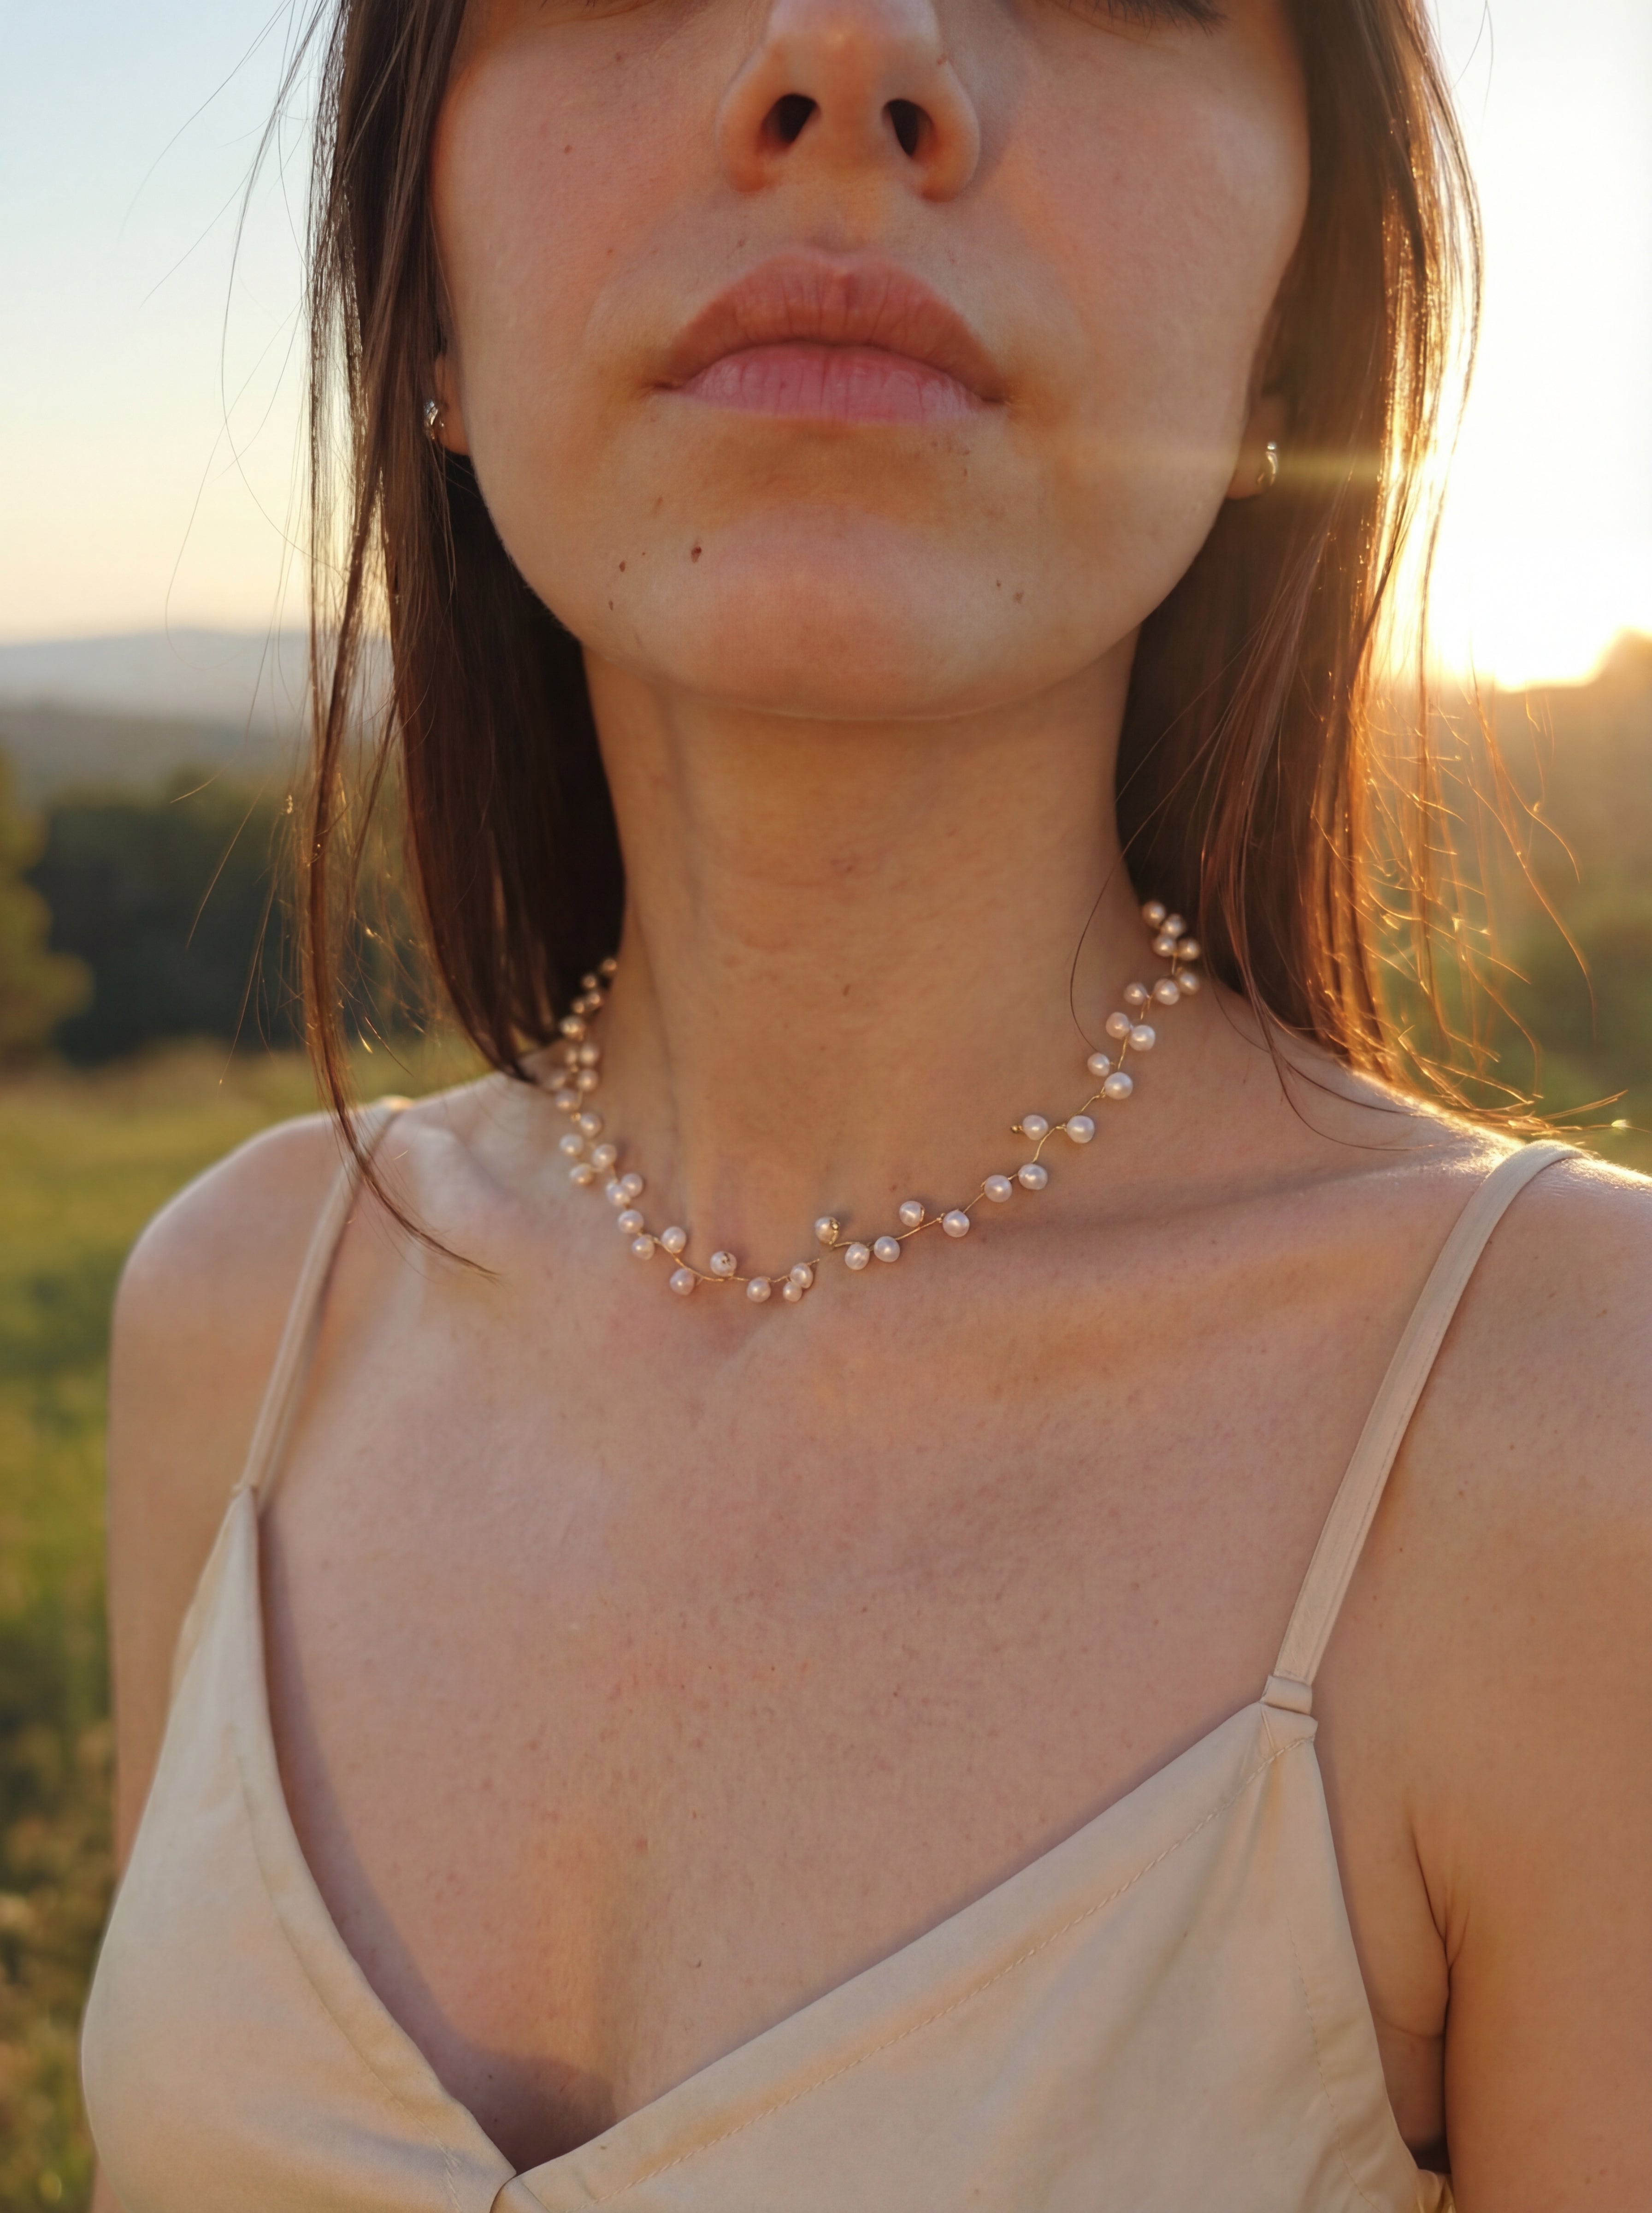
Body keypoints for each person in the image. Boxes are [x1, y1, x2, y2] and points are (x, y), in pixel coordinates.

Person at [81, 0, 1650, 2207]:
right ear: (421, 300)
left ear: (1288, 348)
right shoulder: (247, 1321)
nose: (847, 51)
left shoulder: (1576, 1438)